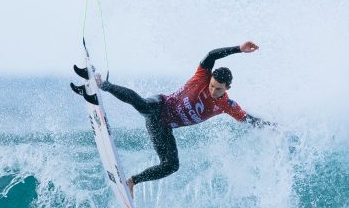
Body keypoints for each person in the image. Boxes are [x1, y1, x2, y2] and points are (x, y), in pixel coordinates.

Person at [71, 41, 270, 197]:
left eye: (218, 89)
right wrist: (238, 49)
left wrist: (276, 129)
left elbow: (248, 120)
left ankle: (131, 181)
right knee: (144, 106)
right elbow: (212, 55)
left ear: (227, 89)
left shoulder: (227, 105)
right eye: (211, 85)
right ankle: (102, 84)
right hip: (161, 104)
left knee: (171, 165)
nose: (212, 90)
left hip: (163, 127)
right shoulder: (203, 76)